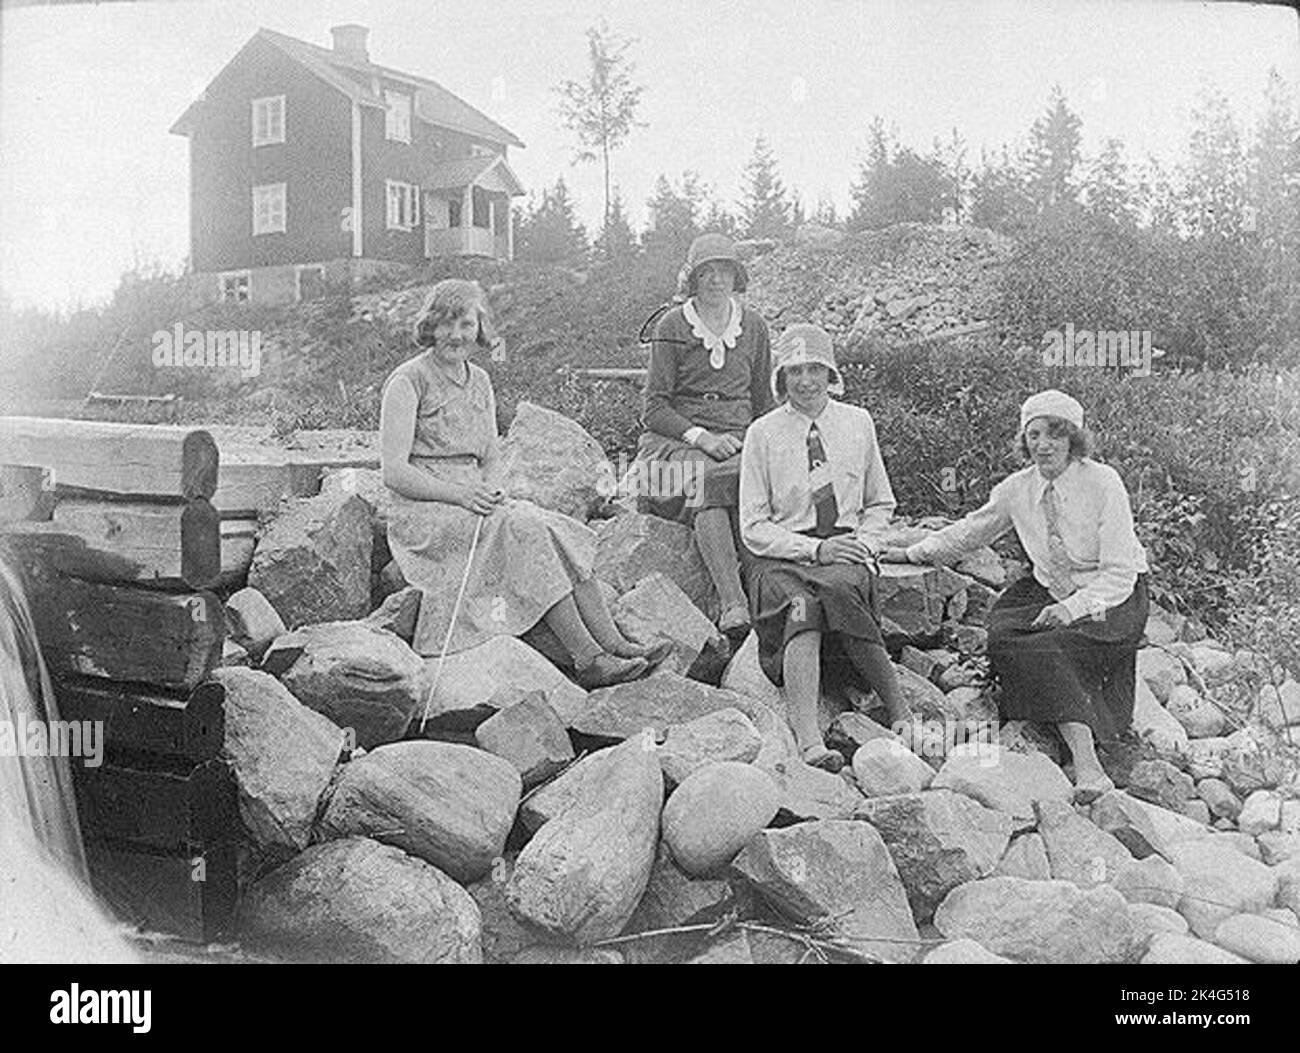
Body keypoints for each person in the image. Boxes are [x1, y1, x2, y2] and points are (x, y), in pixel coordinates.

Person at [381, 279, 665, 689]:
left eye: (465, 324)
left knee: (552, 525)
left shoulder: (478, 379)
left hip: (474, 497)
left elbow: (492, 454)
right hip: (426, 510)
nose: (456, 335)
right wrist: (461, 494)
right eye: (445, 325)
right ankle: (588, 658)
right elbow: (394, 471)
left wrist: (493, 488)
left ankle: (616, 643)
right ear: (429, 327)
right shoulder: (409, 381)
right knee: (525, 529)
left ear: (479, 328)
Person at [880, 389, 1150, 801]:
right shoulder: (1017, 489)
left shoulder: (1102, 482)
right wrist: (913, 552)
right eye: (1034, 435)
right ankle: (1051, 715)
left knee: (1052, 645)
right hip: (1050, 586)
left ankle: (1088, 766)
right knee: (1005, 635)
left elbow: (1120, 572)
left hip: (1108, 595)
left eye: (1055, 435)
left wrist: (1071, 609)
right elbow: (972, 531)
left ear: (1074, 440)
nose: (1043, 445)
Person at [739, 324, 912, 772]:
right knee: (801, 607)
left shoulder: (857, 422)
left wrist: (865, 544)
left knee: (838, 590)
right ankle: (810, 740)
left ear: (830, 373)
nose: (805, 381)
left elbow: (880, 502)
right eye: (794, 371)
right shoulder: (763, 433)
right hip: (782, 555)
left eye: (815, 369)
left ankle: (901, 714)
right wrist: (814, 552)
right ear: (781, 377)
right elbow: (753, 525)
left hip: (845, 547)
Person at [636, 233, 773, 638]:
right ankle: (733, 602)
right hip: (678, 443)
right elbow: (654, 409)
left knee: (757, 483)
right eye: (706, 272)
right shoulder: (672, 325)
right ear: (692, 279)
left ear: (736, 277)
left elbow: (763, 402)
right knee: (705, 481)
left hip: (738, 438)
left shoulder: (755, 327)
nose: (716, 280)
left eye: (724, 271)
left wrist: (755, 442)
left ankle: (771, 596)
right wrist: (701, 438)